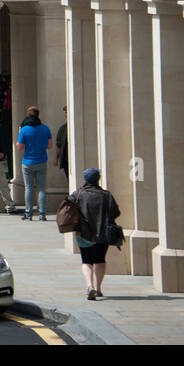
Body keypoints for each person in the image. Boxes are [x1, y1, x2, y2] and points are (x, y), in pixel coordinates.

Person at [71, 167, 121, 301]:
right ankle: (98, 288)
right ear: (98, 179)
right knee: (99, 259)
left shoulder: (78, 194)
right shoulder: (106, 195)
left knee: (86, 260)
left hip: (83, 233)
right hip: (102, 233)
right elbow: (116, 212)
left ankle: (89, 286)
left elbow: (69, 210)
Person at [16, 105, 53, 221]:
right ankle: (42, 214)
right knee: (41, 188)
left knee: (29, 188)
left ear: (28, 115)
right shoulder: (45, 128)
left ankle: (29, 213)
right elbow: (50, 145)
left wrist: (20, 134)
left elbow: (19, 147)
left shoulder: (24, 129)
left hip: (28, 162)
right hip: (41, 160)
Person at [55, 107, 69, 176]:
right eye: (65, 112)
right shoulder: (63, 128)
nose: (66, 115)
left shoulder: (63, 128)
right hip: (65, 159)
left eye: (66, 112)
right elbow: (58, 145)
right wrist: (56, 159)